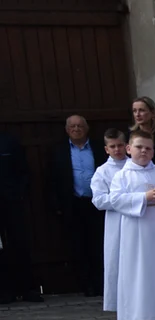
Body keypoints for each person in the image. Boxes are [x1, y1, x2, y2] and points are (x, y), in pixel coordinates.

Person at [110, 129, 155, 320]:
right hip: (136, 234)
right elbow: (116, 200)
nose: (144, 151)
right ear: (129, 149)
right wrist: (144, 197)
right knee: (140, 276)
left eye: (148, 148)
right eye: (139, 147)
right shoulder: (121, 176)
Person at [50, 115, 106, 297]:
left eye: (80, 126)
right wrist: (57, 205)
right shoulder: (58, 151)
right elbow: (51, 181)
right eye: (72, 126)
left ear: (87, 128)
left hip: (97, 205)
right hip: (73, 205)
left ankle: (101, 283)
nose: (76, 129)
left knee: (98, 245)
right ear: (67, 130)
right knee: (78, 246)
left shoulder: (99, 148)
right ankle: (86, 284)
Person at [0, 131, 40, 304]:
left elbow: (23, 170)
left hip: (12, 202)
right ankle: (4, 291)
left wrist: (18, 193)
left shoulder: (9, 142)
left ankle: (27, 288)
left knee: (20, 243)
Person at [92, 128, 129, 312]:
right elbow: (99, 200)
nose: (117, 150)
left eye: (120, 145)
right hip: (116, 221)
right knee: (117, 259)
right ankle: (119, 303)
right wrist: (125, 200)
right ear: (106, 149)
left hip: (139, 220)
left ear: (127, 146)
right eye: (112, 146)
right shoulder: (102, 172)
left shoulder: (136, 166)